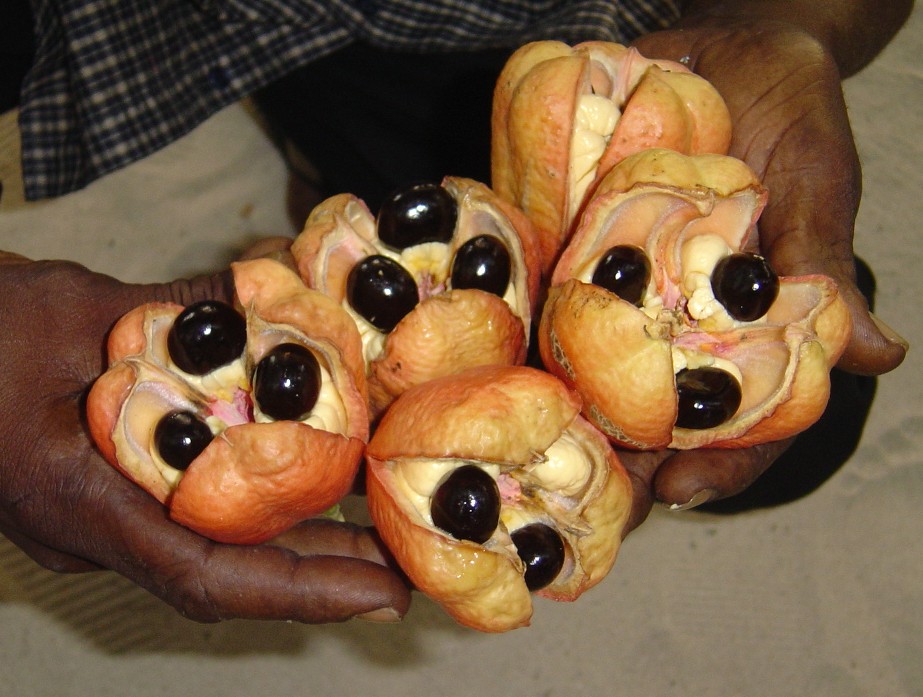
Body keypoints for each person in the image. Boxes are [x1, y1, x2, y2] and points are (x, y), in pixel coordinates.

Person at [0, 0, 911, 625]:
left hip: (495, 23)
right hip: (236, 25)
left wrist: (791, 29)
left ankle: (333, 139)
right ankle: (318, 123)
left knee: (822, 423)